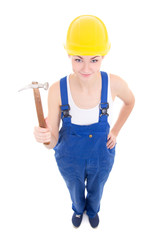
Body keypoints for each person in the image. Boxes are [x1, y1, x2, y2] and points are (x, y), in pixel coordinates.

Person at [34, 15, 135, 228]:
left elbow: (130, 102)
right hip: (69, 157)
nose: (86, 68)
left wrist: (115, 131)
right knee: (74, 187)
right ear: (69, 55)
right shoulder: (57, 91)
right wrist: (44, 138)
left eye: (94, 60)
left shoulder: (113, 84)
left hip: (101, 154)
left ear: (103, 56)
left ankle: (93, 209)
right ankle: (78, 209)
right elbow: (52, 143)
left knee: (97, 188)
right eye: (78, 59)